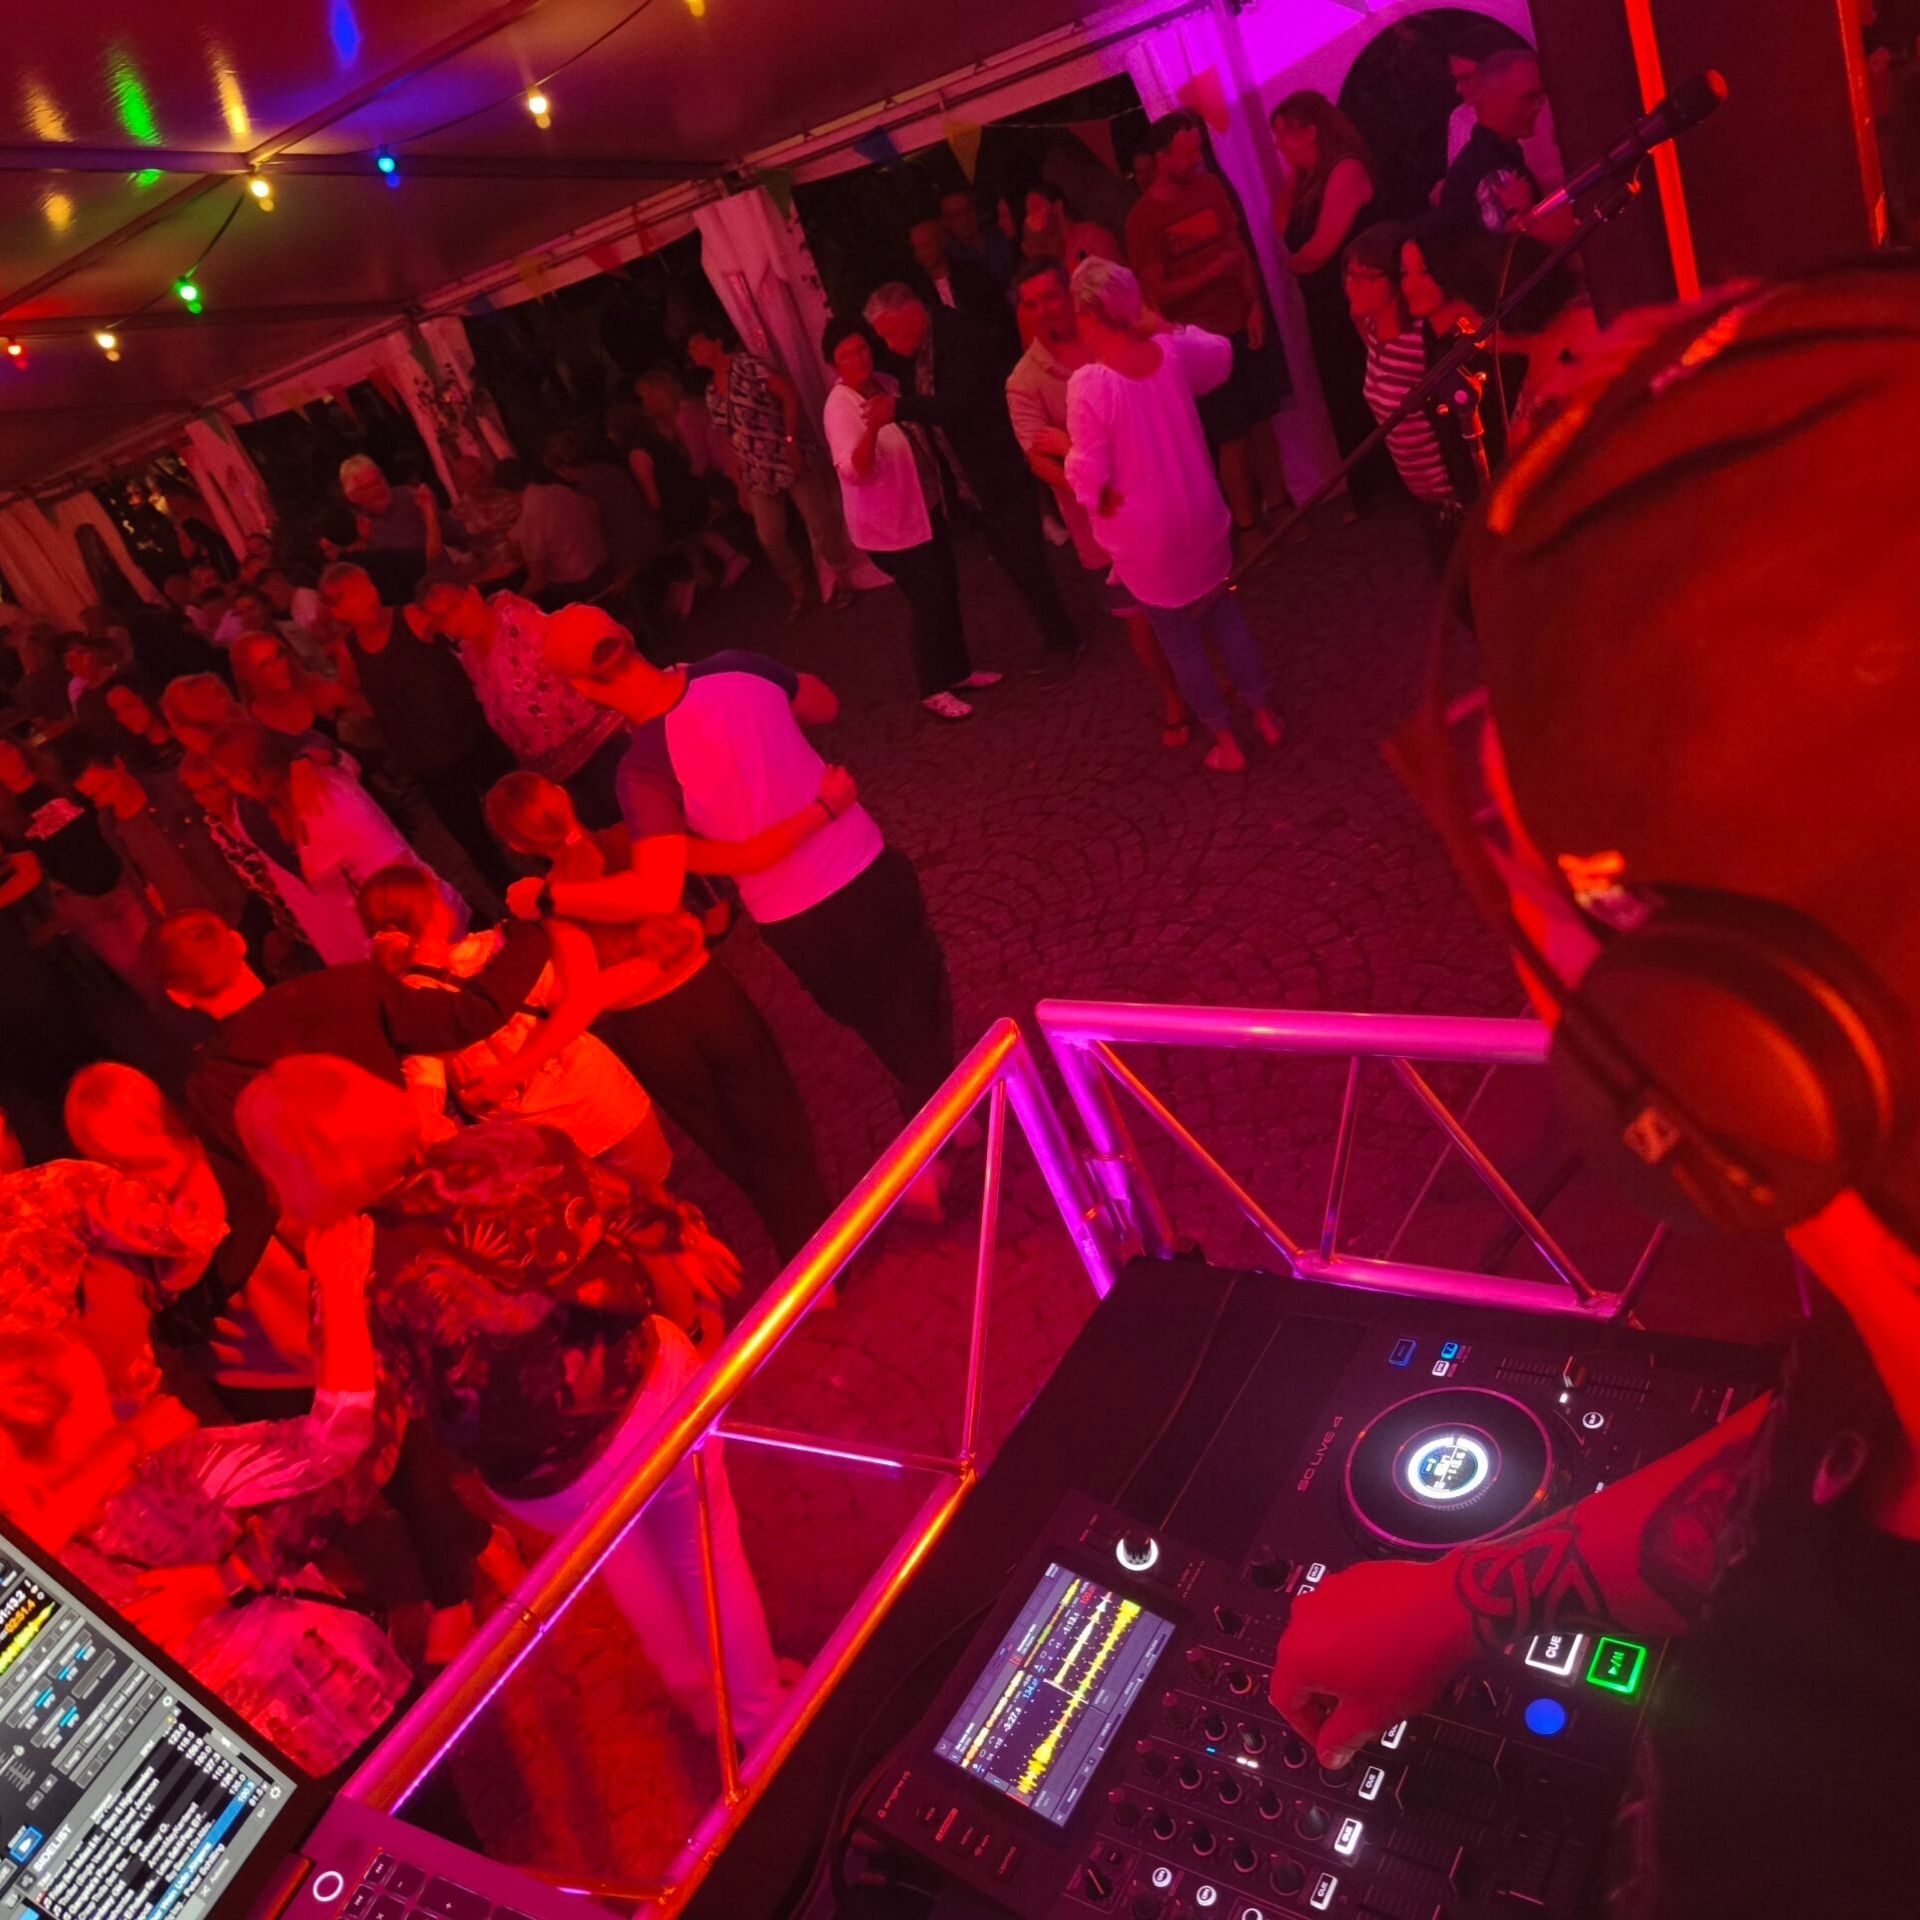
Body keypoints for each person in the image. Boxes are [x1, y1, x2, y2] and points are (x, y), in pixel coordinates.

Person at [1270, 264, 1920, 1917]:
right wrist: (1461, 1597)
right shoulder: (1893, 1296)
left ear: (1716, 1054)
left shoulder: (1822, 1822)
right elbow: (1829, 1457)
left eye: (1520, 852)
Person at [234, 1054, 782, 1746]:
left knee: (621, 1560)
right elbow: (621, 1203)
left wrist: (261, 1559)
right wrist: (682, 1234)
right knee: (706, 1552)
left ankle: (700, 1699)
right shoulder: (504, 1148)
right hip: (643, 1392)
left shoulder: (345, 1283)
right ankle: (760, 1718)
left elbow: (360, 1447)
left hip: (544, 1480)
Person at [536, 606, 960, 1138]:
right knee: (920, 997)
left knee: (885, 1027)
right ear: (627, 635)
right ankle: (950, 1106)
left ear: (581, 688)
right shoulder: (734, 666)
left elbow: (662, 888)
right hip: (869, 864)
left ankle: (941, 1125)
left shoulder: (643, 771)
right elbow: (823, 704)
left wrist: (555, 899)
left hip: (799, 919)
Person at [0, 1313, 408, 1779]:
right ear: (60, 1420)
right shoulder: (173, 1471)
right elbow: (336, 1441)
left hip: (235, 1776)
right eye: (101, 1400)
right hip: (359, 1705)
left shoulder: (33, 1586)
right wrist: (340, 1296)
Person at [485, 771, 833, 1266]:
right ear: (562, 796)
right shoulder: (637, 841)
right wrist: (824, 809)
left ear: (517, 844)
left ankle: (805, 1250)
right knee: (776, 1119)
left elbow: (583, 998)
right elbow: (743, 857)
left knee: (729, 1143)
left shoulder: (555, 900)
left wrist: (511, 1072)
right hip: (709, 998)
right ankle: (820, 1245)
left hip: (648, 1034)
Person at [147, 904, 552, 1309]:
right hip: (451, 1185)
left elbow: (254, 1204)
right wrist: (533, 932)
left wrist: (189, 1304)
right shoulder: (350, 988)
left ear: (178, 996)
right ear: (238, 943)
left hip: (382, 1249)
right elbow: (469, 1017)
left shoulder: (212, 1086)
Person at [1063, 258, 1282, 774]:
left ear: (1091, 313)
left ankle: (1226, 741)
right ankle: (1265, 715)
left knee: (1181, 642)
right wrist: (1161, 324)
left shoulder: (1089, 385)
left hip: (1149, 539)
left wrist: (1062, 450)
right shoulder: (1168, 351)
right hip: (1201, 514)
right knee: (1226, 616)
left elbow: (1089, 479)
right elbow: (1221, 355)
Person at [354, 863, 676, 1196]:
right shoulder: (503, 945)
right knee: (664, 1208)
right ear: (434, 910)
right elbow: (577, 999)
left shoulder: (408, 1008)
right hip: (601, 1103)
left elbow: (425, 1086)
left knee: (598, 1223)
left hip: (541, 1151)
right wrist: (656, 960)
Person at [1006, 258, 1194, 748]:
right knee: (1137, 615)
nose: (1045, 309)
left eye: (1051, 296)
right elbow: (1036, 458)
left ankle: (1212, 677)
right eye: (1032, 303)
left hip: (1159, 498)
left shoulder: (1107, 337)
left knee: (1190, 593)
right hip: (1100, 522)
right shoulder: (1024, 381)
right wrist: (1096, 489)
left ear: (1069, 294)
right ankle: (1173, 698)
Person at [863, 282, 1086, 676]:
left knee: (1026, 560)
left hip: (999, 467)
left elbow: (963, 403)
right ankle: (1057, 632)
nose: (889, 344)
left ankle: (1064, 639)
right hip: (974, 482)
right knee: (1013, 561)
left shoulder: (957, 334)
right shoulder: (921, 351)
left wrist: (901, 408)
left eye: (890, 333)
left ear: (909, 312)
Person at [822, 316, 1001, 719]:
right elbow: (853, 471)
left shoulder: (886, 383)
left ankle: (957, 670)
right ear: (835, 364)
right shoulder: (839, 407)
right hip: (889, 526)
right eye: (847, 355)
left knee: (947, 588)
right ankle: (932, 687)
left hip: (925, 505)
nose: (859, 359)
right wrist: (873, 429)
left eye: (862, 348)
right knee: (929, 601)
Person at [1124, 111, 1286, 538]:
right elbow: (1158, 294)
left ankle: (1282, 507)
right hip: (1198, 344)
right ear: (1161, 158)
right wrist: (1213, 272)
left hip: (1240, 322)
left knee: (1262, 420)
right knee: (1229, 434)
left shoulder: (1210, 186)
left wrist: (1254, 304)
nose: (1197, 159)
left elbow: (1237, 248)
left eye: (1198, 149)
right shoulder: (1142, 219)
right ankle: (1248, 528)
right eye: (1187, 153)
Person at [317, 561, 517, 894]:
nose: (368, 595)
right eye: (353, 594)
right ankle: (512, 896)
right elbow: (361, 696)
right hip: (425, 758)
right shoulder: (349, 651)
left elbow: (459, 628)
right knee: (473, 838)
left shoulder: (411, 617)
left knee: (515, 801)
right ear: (338, 611)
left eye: (366, 584)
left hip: (468, 734)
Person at [207, 723, 464, 967]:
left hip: (419, 943)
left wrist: (428, 945)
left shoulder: (329, 797)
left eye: (228, 778)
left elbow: (398, 873)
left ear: (245, 776)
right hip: (371, 951)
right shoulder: (257, 814)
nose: (232, 790)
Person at [405, 566, 628, 826]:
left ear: (473, 594)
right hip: (556, 773)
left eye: (455, 607)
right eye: (442, 618)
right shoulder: (469, 657)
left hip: (599, 744)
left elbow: (572, 653)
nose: (453, 620)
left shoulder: (516, 619)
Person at [687, 320, 865, 619]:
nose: (693, 351)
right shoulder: (712, 392)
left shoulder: (747, 367)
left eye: (697, 344)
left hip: (784, 455)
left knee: (819, 521)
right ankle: (798, 589)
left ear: (716, 343)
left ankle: (844, 579)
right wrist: (739, 480)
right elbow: (728, 436)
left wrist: (791, 439)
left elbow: (787, 394)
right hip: (756, 468)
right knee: (769, 535)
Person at [1270, 92, 1389, 507]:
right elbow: (1280, 225)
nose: (1279, 144)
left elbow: (1322, 247)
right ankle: (1368, 489)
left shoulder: (1346, 169)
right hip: (1327, 304)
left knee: (1369, 387)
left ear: (1312, 130)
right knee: (1343, 391)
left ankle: (1390, 484)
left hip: (1354, 300)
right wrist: (1296, 171)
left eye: (1284, 134)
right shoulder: (1310, 178)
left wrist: (1293, 265)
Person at [0, 734, 160, 1001]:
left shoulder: (61, 776)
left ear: (19, 749)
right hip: (79, 900)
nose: (5, 760)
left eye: (6, 750)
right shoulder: (8, 819)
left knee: (158, 955)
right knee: (134, 971)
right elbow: (29, 873)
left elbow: (110, 811)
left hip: (120, 879)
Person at [1340, 223, 1467, 558]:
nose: (1352, 285)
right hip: (1423, 498)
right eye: (1349, 275)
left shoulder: (1421, 340)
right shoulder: (1369, 327)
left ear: (1394, 280)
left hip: (1455, 496)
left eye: (1366, 278)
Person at [69, 741, 260, 926]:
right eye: (95, 796)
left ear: (119, 765)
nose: (105, 798)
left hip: (236, 903)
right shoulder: (110, 824)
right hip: (191, 923)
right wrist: (157, 922)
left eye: (106, 786)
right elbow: (137, 880)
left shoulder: (173, 786)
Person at [1437, 49, 1576, 249]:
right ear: (1491, 94)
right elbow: (1511, 248)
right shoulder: (1489, 166)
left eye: (1541, 97)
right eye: (1529, 97)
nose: (1538, 106)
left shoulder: (1494, 155)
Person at [542, 425, 668, 611]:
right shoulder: (608, 469)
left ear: (563, 469)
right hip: (652, 534)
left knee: (576, 583)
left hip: (631, 554)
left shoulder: (585, 492)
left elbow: (595, 535)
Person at [1444, 23, 1563, 194]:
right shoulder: (1459, 118)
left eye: (1467, 78)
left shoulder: (1540, 108)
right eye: (1457, 79)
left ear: (1495, 72)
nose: (1458, 89)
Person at [497, 455, 608, 609]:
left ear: (504, 491)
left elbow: (538, 582)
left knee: (538, 604)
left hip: (582, 589)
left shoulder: (531, 516)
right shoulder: (559, 489)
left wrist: (509, 605)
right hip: (604, 567)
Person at [229, 629, 363, 743]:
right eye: (265, 665)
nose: (279, 667)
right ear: (248, 675)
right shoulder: (254, 725)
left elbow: (368, 709)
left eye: (279, 656)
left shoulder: (315, 689)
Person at [339, 454, 439, 603]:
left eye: (379, 480)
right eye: (369, 487)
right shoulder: (359, 531)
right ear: (353, 496)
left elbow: (454, 533)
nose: (379, 488)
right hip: (411, 599)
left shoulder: (411, 497)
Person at [906, 216, 1013, 331]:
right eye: (916, 248)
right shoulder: (919, 293)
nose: (921, 253)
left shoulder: (973, 273)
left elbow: (1000, 314)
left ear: (942, 241)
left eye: (926, 245)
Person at [1019, 182, 1121, 274]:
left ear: (1058, 207)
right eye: (1029, 211)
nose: (1032, 217)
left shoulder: (1093, 237)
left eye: (1037, 208)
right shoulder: (1040, 253)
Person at [939, 187, 1019, 289]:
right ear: (945, 221)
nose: (964, 219)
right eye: (956, 215)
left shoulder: (997, 235)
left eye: (967, 210)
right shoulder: (951, 261)